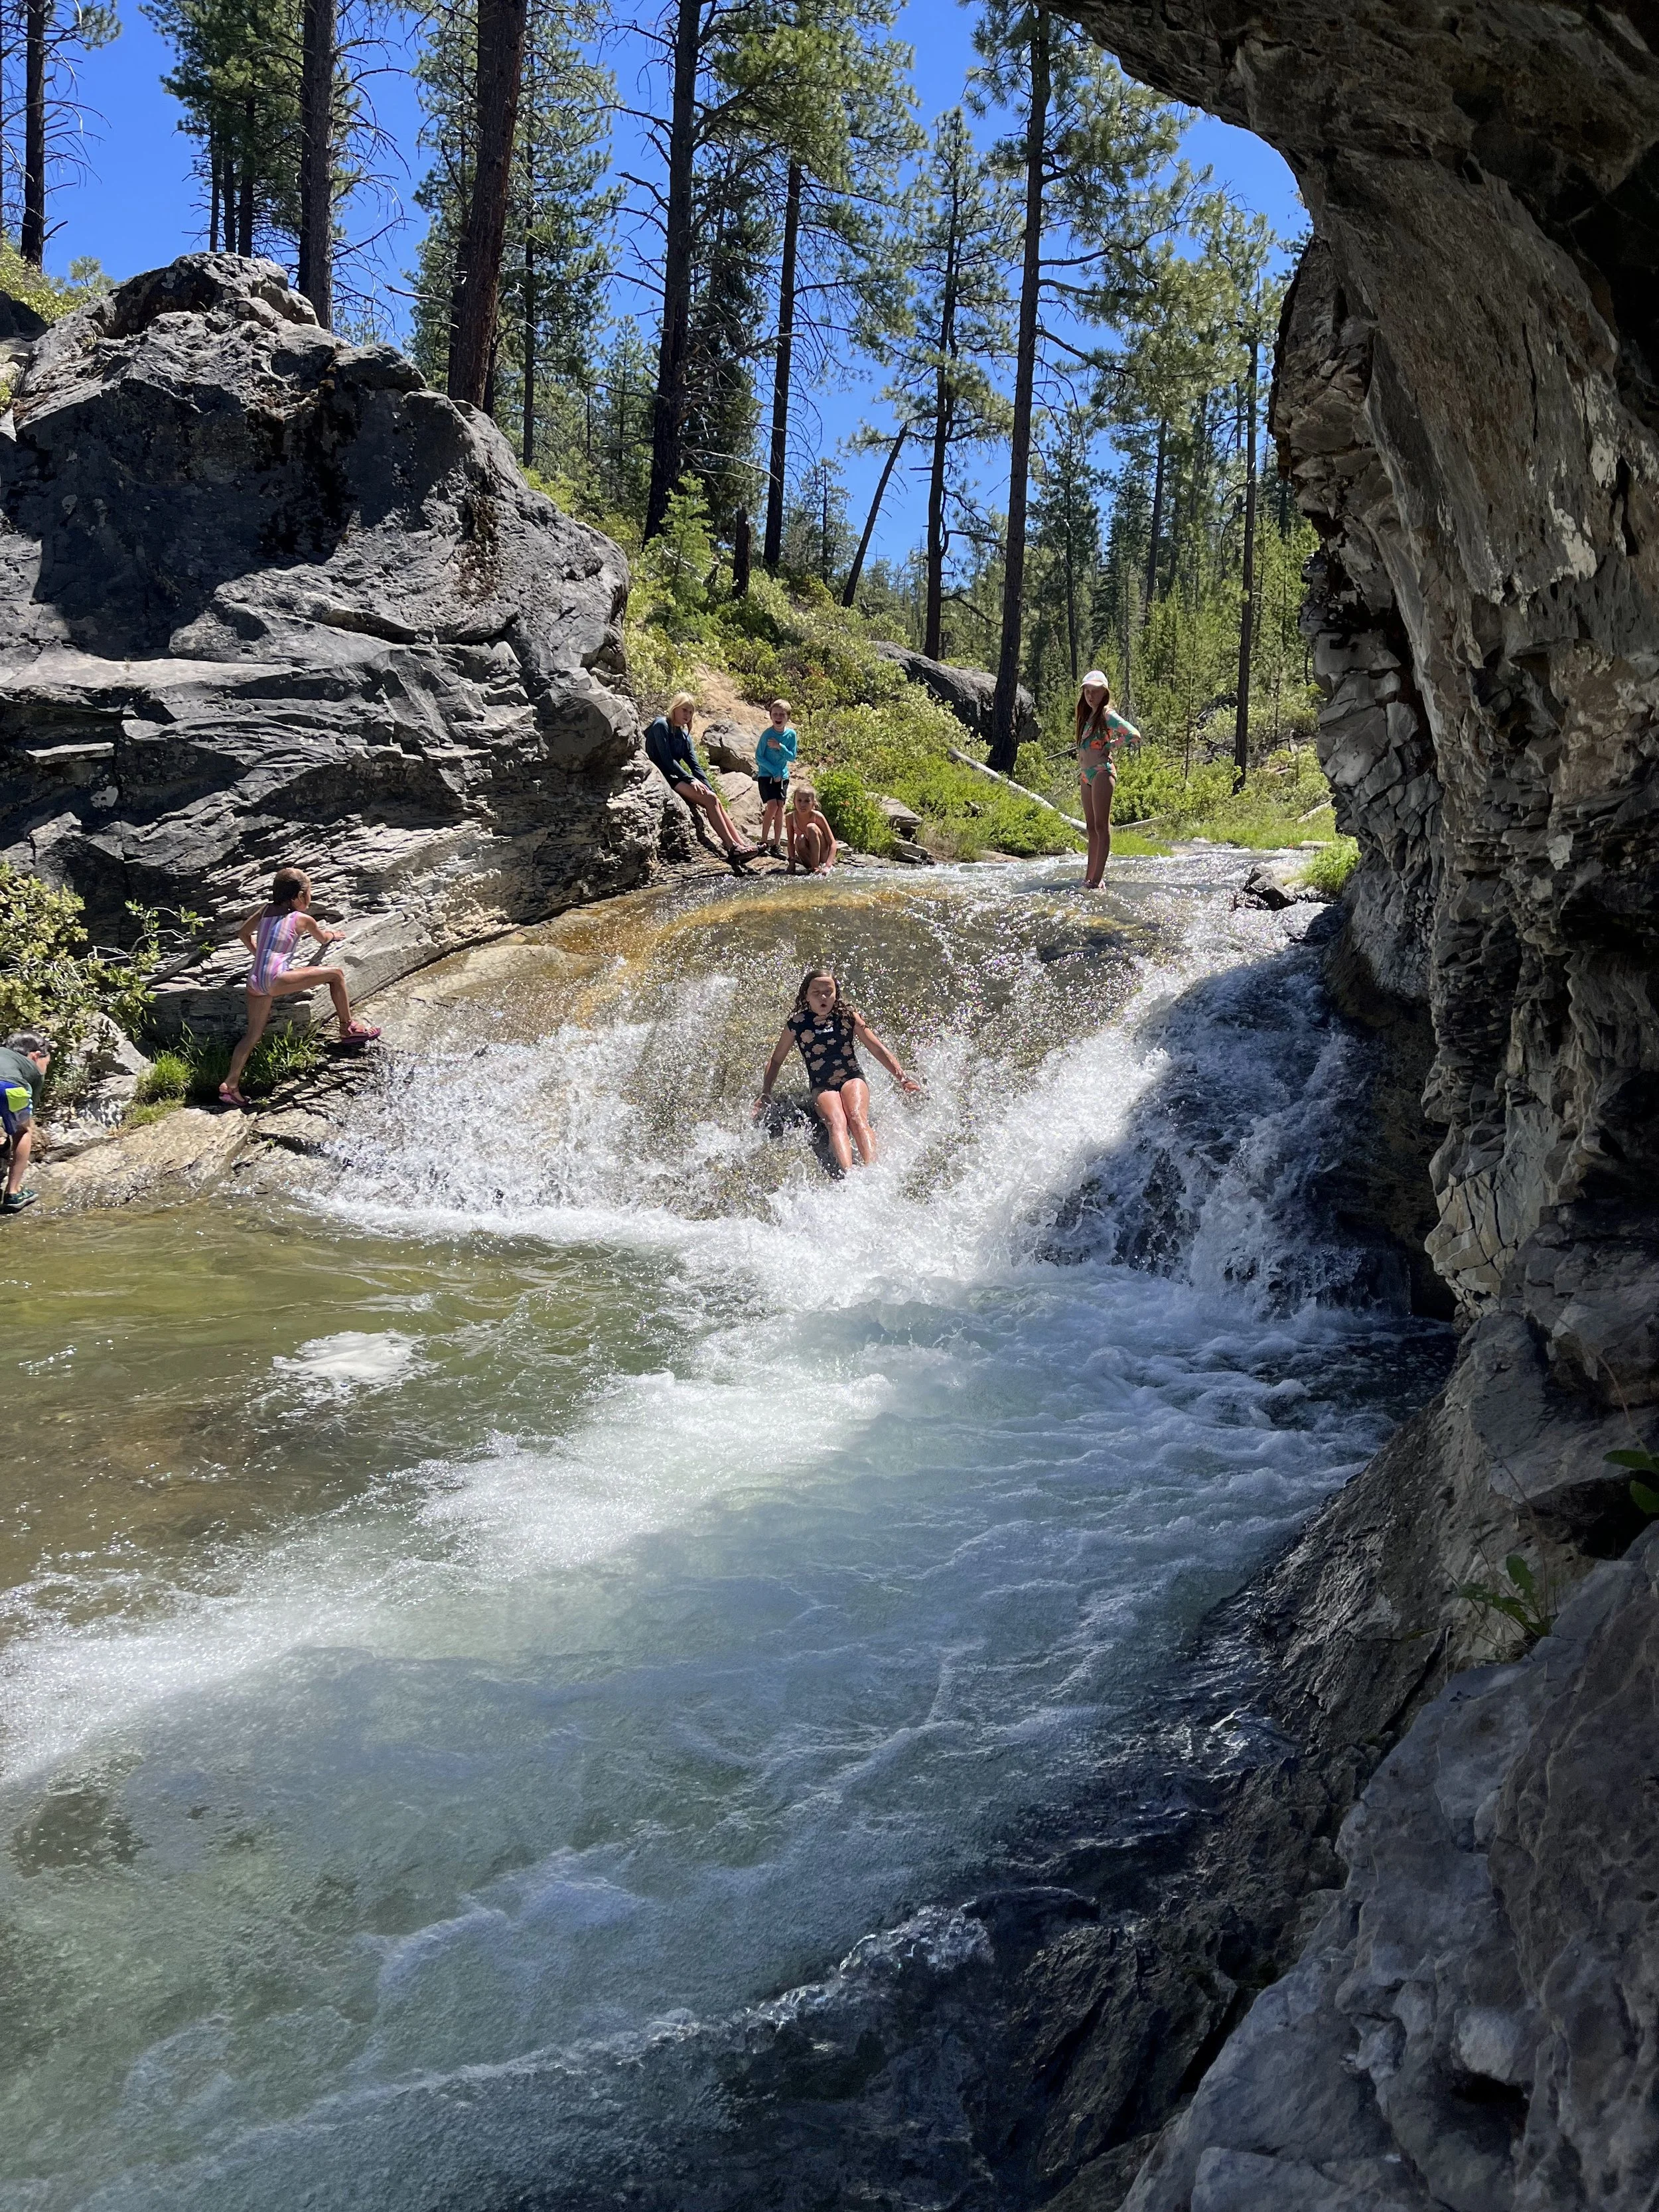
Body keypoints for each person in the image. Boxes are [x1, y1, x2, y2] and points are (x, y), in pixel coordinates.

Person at [219, 866, 379, 1108]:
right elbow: (324, 939)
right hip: (276, 978)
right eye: (309, 892)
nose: (310, 897)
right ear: (298, 896)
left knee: (252, 1035)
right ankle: (348, 1028)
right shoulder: (302, 919)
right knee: (336, 975)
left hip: (254, 980)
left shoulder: (264, 911)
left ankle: (230, 1086)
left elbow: (243, 934)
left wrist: (260, 956)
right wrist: (333, 934)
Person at [753, 966, 920, 1173]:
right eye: (816, 993)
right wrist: (766, 1092)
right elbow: (777, 1060)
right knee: (836, 1122)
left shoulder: (848, 1016)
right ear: (806, 995)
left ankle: (873, 1172)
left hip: (852, 1077)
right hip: (822, 1086)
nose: (823, 997)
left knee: (857, 1117)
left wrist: (902, 1078)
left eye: (828, 992)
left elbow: (877, 1048)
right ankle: (849, 1175)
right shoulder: (797, 1024)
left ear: (836, 994)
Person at [644, 692, 759, 869]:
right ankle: (732, 848)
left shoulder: (684, 736)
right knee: (710, 801)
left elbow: (695, 765)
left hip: (675, 776)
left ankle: (741, 845)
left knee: (714, 799)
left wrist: (709, 787)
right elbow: (666, 761)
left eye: (690, 712)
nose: (687, 715)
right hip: (662, 775)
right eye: (684, 710)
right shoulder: (661, 726)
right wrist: (690, 780)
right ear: (675, 707)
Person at [1075, 670, 1140, 889]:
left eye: (1095, 691)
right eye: (1087, 691)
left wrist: (1111, 746)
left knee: (1102, 826)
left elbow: (1133, 734)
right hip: (1086, 776)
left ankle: (1098, 878)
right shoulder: (1086, 717)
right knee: (1091, 828)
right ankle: (1089, 876)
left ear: (1105, 693)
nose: (1090, 696)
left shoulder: (1106, 714)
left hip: (1102, 773)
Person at [1, 1029, 50, 1215]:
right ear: (36, 1056)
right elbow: (30, 1112)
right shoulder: (34, 1072)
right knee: (23, 1131)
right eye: (47, 1063)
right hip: (10, 1087)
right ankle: (13, 1193)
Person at [754, 699, 798, 856]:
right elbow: (759, 757)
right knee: (772, 806)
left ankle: (776, 845)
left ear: (788, 717)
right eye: (775, 714)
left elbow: (792, 757)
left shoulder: (791, 735)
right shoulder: (767, 734)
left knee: (780, 809)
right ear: (771, 716)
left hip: (783, 776)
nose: (778, 717)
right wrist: (774, 772)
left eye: (782, 714)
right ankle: (763, 841)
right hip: (766, 775)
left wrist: (780, 747)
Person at [786, 783, 837, 875]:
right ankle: (812, 868)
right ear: (794, 802)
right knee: (800, 838)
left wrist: (828, 865)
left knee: (811, 827)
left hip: (822, 856)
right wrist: (792, 862)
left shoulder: (817, 817)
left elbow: (833, 843)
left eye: (807, 801)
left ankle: (816, 867)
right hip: (807, 857)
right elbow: (790, 842)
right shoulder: (790, 818)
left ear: (814, 802)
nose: (802, 804)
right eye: (799, 800)